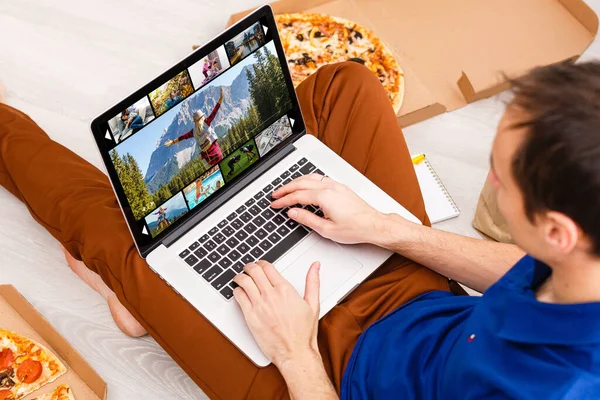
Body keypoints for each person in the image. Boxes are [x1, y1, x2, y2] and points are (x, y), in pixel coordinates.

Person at [1, 60, 599, 400]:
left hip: (322, 378)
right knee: (349, 86)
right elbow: (522, 271)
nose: (489, 184)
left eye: (500, 176)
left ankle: (135, 291)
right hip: (421, 308)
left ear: (558, 231)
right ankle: (162, 289)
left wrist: (294, 350)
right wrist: (389, 230)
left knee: (117, 236)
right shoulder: (581, 260)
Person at [163, 88, 224, 166]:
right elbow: (214, 112)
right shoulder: (206, 123)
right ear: (202, 118)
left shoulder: (193, 132)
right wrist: (220, 99)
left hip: (209, 159)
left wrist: (172, 142)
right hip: (217, 153)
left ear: (195, 121)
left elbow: (182, 137)